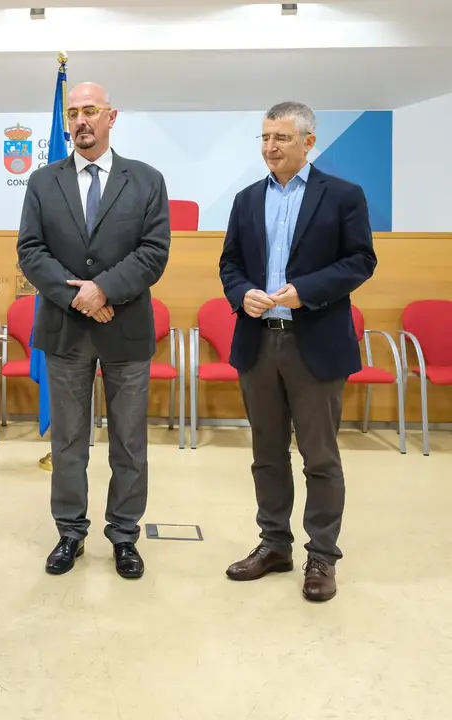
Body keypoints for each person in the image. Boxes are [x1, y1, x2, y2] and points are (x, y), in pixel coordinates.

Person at [219, 101, 376, 602]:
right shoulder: (246, 200)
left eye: (281, 139)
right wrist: (240, 292)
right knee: (266, 454)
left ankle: (322, 556)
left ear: (309, 142)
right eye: (265, 138)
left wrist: (304, 290)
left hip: (316, 344)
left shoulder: (343, 196)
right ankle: (274, 545)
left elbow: (360, 261)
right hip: (258, 343)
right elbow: (230, 264)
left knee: (320, 457)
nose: (270, 148)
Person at [16, 82, 170, 579]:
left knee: (128, 441)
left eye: (91, 111)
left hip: (125, 329)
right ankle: (69, 533)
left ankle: (124, 535)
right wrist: (77, 296)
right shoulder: (42, 182)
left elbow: (153, 252)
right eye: (74, 112)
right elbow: (31, 251)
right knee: (68, 441)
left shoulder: (146, 180)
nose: (81, 120)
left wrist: (102, 289)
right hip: (64, 330)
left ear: (111, 117)